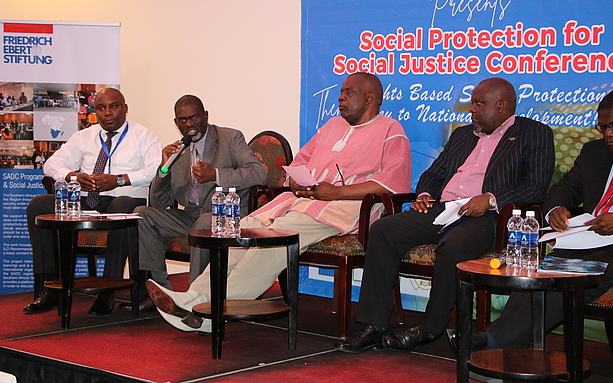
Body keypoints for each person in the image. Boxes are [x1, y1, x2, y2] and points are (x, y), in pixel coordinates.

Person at [145, 72, 412, 333]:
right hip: (298, 202)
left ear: (369, 98)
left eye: (349, 92)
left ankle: (209, 312)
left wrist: (336, 193)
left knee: (273, 243)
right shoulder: (332, 126)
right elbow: (300, 163)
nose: (341, 97)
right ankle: (193, 298)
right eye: (341, 92)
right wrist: (295, 181)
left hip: (342, 208)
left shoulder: (390, 130)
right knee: (238, 234)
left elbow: (392, 184)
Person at [335, 77, 555, 353]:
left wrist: (489, 200)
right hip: (444, 209)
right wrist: (425, 195)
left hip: (489, 218)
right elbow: (434, 173)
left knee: (453, 245)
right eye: (472, 103)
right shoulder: (463, 135)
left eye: (479, 103)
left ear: (501, 106)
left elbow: (535, 186)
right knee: (384, 229)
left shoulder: (533, 133)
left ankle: (430, 327)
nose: (472, 109)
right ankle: (373, 324)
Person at [449, 88, 613, 353]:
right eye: (603, 127)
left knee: (572, 278)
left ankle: (495, 342)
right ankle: (504, 343)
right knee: (538, 270)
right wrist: (555, 209)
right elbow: (564, 189)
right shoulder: (595, 152)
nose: (608, 134)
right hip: (587, 240)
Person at [24, 88, 162, 317]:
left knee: (122, 206)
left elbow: (156, 170)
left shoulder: (143, 136)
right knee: (39, 205)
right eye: (101, 108)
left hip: (125, 199)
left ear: (125, 108)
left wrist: (119, 180)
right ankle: (50, 288)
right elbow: (51, 164)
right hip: (86, 200)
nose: (107, 113)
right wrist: (74, 177)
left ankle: (106, 293)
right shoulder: (84, 136)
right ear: (95, 111)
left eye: (114, 106)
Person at [132, 94, 267, 311]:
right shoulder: (179, 150)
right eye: (182, 120)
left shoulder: (230, 138)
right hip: (192, 215)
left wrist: (216, 174)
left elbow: (258, 173)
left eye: (194, 118)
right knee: (142, 214)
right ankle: (161, 289)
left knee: (205, 222)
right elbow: (158, 203)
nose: (189, 124)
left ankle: (196, 296)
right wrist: (164, 169)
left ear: (205, 116)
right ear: (176, 123)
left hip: (227, 216)